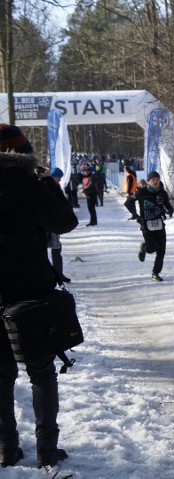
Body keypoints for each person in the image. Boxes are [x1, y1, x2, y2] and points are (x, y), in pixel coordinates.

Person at [0, 135, 78, 469]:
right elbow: (65, 223)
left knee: (1, 375)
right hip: (32, 292)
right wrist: (48, 185)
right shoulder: (32, 186)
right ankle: (46, 447)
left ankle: (6, 447)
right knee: (42, 373)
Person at [135, 171, 174, 282]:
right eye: (153, 180)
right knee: (151, 249)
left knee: (161, 251)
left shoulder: (163, 193)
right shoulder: (141, 192)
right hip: (146, 225)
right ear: (148, 181)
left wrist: (170, 209)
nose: (156, 181)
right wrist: (135, 215)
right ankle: (145, 247)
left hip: (160, 224)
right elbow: (128, 202)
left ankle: (155, 273)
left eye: (157, 179)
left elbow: (167, 204)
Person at [47, 168, 72, 283]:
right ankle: (55, 274)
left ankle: (58, 273)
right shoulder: (48, 187)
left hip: (53, 223)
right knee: (55, 249)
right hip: (49, 223)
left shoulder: (53, 186)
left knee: (57, 249)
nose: (60, 180)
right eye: (58, 177)